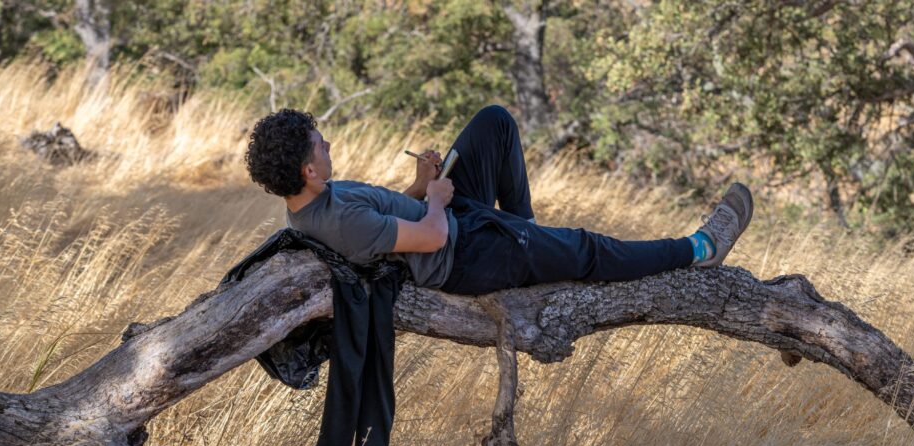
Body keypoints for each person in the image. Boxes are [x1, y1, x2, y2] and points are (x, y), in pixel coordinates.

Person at [243, 104, 754, 299]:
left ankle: (529, 236)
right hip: (463, 253)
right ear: (308, 169)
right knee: (590, 249)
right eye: (320, 143)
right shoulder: (338, 222)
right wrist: (439, 200)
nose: (328, 145)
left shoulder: (317, 198)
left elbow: (386, 213)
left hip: (455, 216)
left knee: (493, 123)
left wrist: (422, 185)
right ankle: (700, 249)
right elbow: (431, 237)